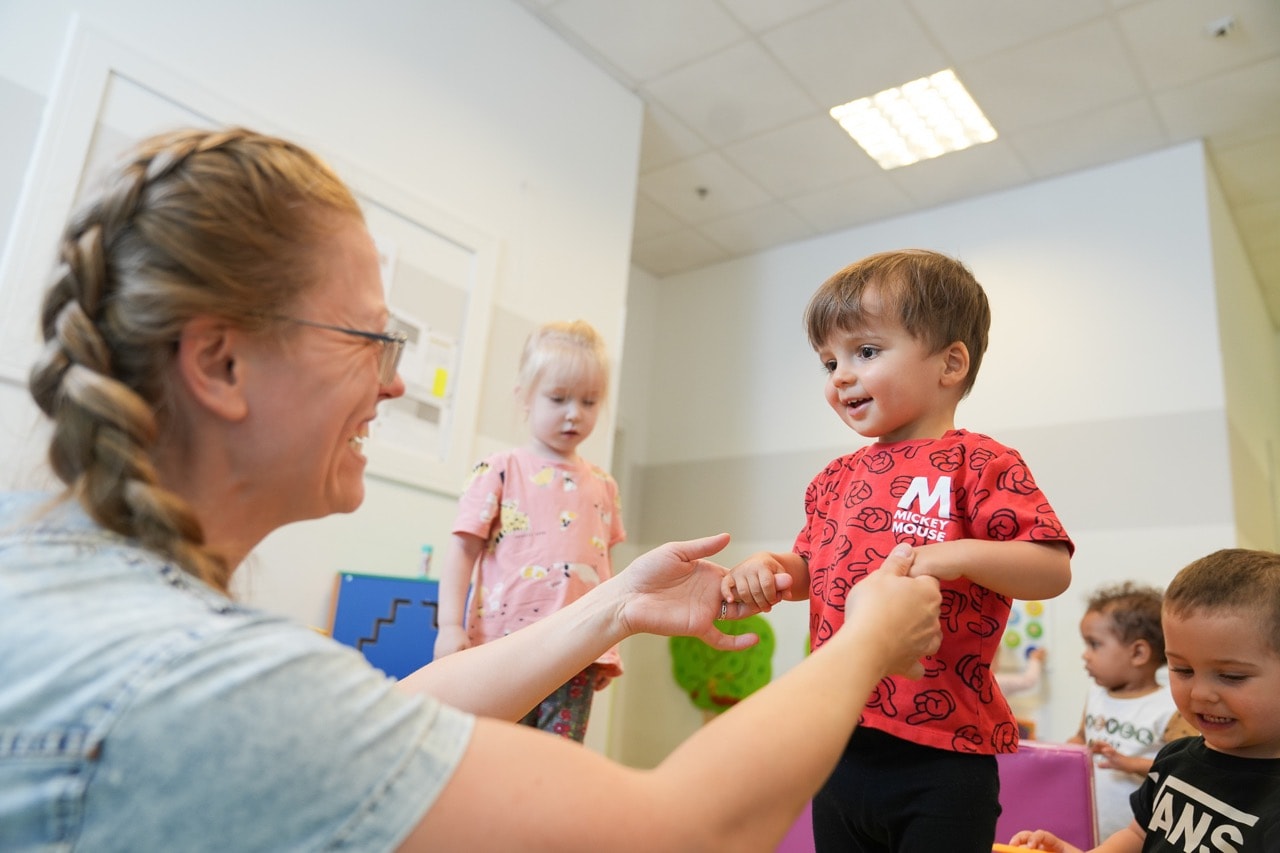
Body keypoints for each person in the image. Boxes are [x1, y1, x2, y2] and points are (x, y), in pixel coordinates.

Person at [0, 126, 946, 853]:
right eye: (371, 341)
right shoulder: (198, 678)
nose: (397, 383)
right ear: (220, 361)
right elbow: (678, 830)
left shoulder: (65, 589)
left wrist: (614, 604)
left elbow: (407, 713)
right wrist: (865, 639)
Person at [721, 249, 1074, 852]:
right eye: (829, 361)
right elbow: (809, 567)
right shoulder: (835, 478)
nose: (839, 376)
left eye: (866, 352)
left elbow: (1050, 567)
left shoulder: (981, 462)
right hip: (837, 738)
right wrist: (768, 570)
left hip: (940, 753)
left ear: (950, 364)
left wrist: (959, 554)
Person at [1007, 549, 1280, 851]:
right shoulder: (1173, 760)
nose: (1199, 693)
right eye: (1183, 670)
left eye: (1231, 676)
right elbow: (1138, 836)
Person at [433, 320, 623, 742]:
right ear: (524, 397)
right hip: (503, 651)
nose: (574, 412)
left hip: (575, 651)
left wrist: (606, 640)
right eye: (558, 398)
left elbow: (602, 566)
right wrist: (449, 625)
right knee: (498, 754)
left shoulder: (604, 485)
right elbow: (462, 551)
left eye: (589, 401)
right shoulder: (500, 470)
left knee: (557, 764)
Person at [1068, 582, 1197, 837]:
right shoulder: (1096, 694)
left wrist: (1130, 764)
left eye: (1094, 644)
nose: (1085, 655)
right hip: (1093, 827)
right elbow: (1082, 738)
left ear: (1138, 652)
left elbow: (1187, 770)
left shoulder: (1170, 706)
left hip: (1138, 834)